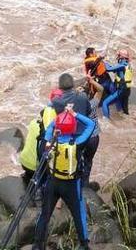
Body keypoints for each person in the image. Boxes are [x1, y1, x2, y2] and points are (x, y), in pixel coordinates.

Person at [32, 107, 95, 250]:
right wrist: (73, 113)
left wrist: (60, 119)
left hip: (53, 182)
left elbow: (49, 127)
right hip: (71, 184)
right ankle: (84, 245)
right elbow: (91, 125)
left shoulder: (48, 143)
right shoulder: (78, 144)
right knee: (78, 214)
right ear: (73, 128)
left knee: (45, 214)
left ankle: (37, 244)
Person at [19, 88, 63, 183]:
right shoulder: (52, 132)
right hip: (36, 168)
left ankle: (27, 177)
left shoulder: (33, 123)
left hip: (23, 162)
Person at [76, 74, 104, 188]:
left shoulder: (76, 107)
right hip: (93, 138)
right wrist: (91, 81)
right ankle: (85, 184)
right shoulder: (92, 104)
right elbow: (101, 89)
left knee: (78, 161)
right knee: (88, 161)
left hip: (81, 138)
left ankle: (77, 183)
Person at [100, 50, 130, 119]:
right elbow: (114, 69)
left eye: (118, 55)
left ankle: (106, 121)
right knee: (117, 101)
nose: (117, 57)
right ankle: (120, 114)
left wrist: (102, 61)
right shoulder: (127, 65)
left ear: (121, 57)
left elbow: (108, 69)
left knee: (105, 103)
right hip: (126, 90)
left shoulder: (122, 65)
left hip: (121, 89)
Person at [113, 49, 133, 115]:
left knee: (119, 107)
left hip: (122, 88)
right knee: (125, 107)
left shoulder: (121, 65)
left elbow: (114, 71)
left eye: (119, 56)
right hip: (128, 89)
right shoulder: (129, 65)